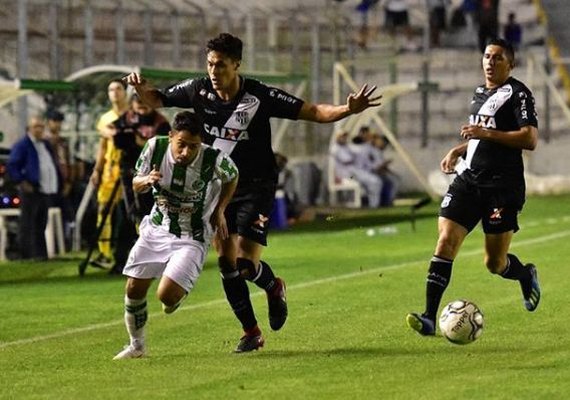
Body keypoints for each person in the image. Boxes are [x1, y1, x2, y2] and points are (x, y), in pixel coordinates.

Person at [126, 32, 381, 352]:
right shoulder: (197, 89)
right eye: (209, 64)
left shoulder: (259, 95)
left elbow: (314, 112)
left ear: (236, 65)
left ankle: (273, 286)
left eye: (220, 65)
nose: (214, 72)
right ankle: (251, 332)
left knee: (246, 263)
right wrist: (140, 89)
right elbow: (158, 99)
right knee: (226, 263)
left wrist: (347, 109)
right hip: (218, 187)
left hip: (256, 185)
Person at [406, 38, 541, 337]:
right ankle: (429, 317)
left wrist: (484, 132)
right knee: (445, 241)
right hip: (469, 180)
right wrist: (459, 149)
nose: (490, 62)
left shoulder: (519, 94)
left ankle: (524, 273)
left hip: (502, 187)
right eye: (487, 56)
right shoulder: (480, 93)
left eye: (498, 58)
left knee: (494, 263)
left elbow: (529, 139)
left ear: (511, 64)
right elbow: (481, 137)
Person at [113, 111, 239, 359]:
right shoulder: (154, 147)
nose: (186, 152)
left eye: (193, 146)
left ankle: (176, 294)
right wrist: (147, 179)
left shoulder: (213, 159)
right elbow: (135, 183)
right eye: (181, 145)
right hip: (158, 228)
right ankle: (136, 346)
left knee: (166, 297)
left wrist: (220, 210)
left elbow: (232, 176)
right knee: (134, 287)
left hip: (192, 236)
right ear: (170, 136)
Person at [109, 94, 171, 274]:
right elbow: (111, 132)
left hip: (154, 175)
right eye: (138, 103)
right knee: (129, 215)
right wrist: (122, 135)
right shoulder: (127, 118)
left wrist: (138, 141)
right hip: (129, 175)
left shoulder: (160, 122)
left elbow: (163, 145)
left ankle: (159, 258)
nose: (142, 107)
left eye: (145, 103)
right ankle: (122, 259)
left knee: (155, 215)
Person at [7, 115, 62, 260]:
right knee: (28, 222)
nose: (39, 130)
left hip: (45, 189)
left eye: (41, 127)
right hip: (31, 189)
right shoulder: (22, 145)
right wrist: (22, 181)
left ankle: (40, 254)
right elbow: (13, 165)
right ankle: (26, 254)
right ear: (29, 129)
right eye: (36, 127)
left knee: (41, 223)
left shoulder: (45, 145)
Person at [90, 79, 130, 270]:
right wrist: (97, 169)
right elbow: (102, 146)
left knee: (133, 213)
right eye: (111, 89)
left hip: (130, 169)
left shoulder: (134, 115)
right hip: (109, 171)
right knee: (104, 211)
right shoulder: (105, 118)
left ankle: (142, 250)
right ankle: (104, 252)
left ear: (125, 92)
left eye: (118, 89)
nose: (114, 92)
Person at [45, 109, 75, 249]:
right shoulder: (45, 142)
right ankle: (52, 244)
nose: (57, 125)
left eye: (59, 122)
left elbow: (67, 162)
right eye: (54, 121)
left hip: (63, 182)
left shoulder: (63, 142)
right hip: (50, 183)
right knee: (49, 213)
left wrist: (69, 182)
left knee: (65, 213)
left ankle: (65, 240)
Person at [331, 130, 382, 208]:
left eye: (345, 136)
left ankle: (373, 205)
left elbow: (358, 154)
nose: (344, 138)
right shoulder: (336, 148)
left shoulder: (346, 146)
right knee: (375, 181)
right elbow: (348, 160)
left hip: (353, 173)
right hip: (347, 176)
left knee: (375, 181)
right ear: (337, 137)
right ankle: (373, 205)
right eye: (342, 136)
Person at [371, 133, 399, 206]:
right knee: (391, 181)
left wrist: (390, 172)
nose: (384, 145)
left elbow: (382, 166)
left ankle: (388, 200)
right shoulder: (372, 150)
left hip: (379, 172)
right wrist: (386, 163)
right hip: (373, 173)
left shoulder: (378, 151)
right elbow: (377, 166)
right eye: (383, 143)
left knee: (395, 179)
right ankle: (385, 201)